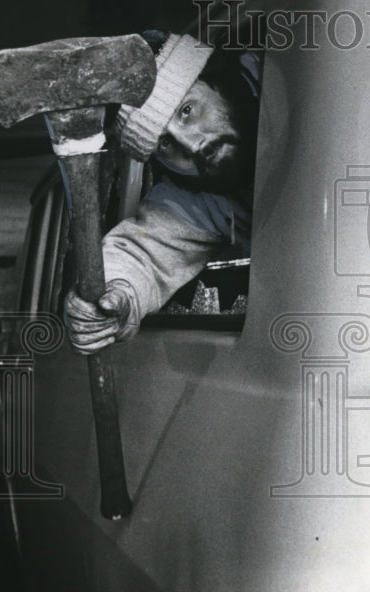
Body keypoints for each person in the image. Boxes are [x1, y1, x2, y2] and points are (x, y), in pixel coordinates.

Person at [65, 30, 261, 354]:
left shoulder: (301, 80)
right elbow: (142, 254)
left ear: (218, 79)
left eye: (187, 110)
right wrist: (113, 296)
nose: (191, 145)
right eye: (165, 143)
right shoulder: (202, 197)